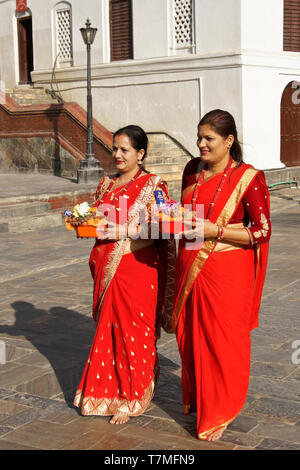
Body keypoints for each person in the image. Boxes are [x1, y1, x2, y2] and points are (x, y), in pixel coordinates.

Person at [172, 109, 271, 441]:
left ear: (229, 141)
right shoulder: (192, 170)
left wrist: (215, 229)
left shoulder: (249, 178)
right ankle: (202, 399)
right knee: (192, 339)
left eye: (208, 139)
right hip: (191, 266)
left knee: (222, 342)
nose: (200, 144)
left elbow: (262, 231)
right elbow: (186, 213)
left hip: (228, 274)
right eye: (198, 138)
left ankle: (223, 407)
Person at [73, 125, 175, 425]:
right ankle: (107, 391)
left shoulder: (153, 186)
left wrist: (123, 231)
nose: (117, 155)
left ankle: (132, 395)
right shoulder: (106, 185)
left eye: (124, 150)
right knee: (110, 331)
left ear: (140, 154)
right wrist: (84, 224)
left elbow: (161, 228)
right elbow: (98, 219)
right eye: (114, 149)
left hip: (137, 269)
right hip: (107, 268)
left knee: (134, 333)